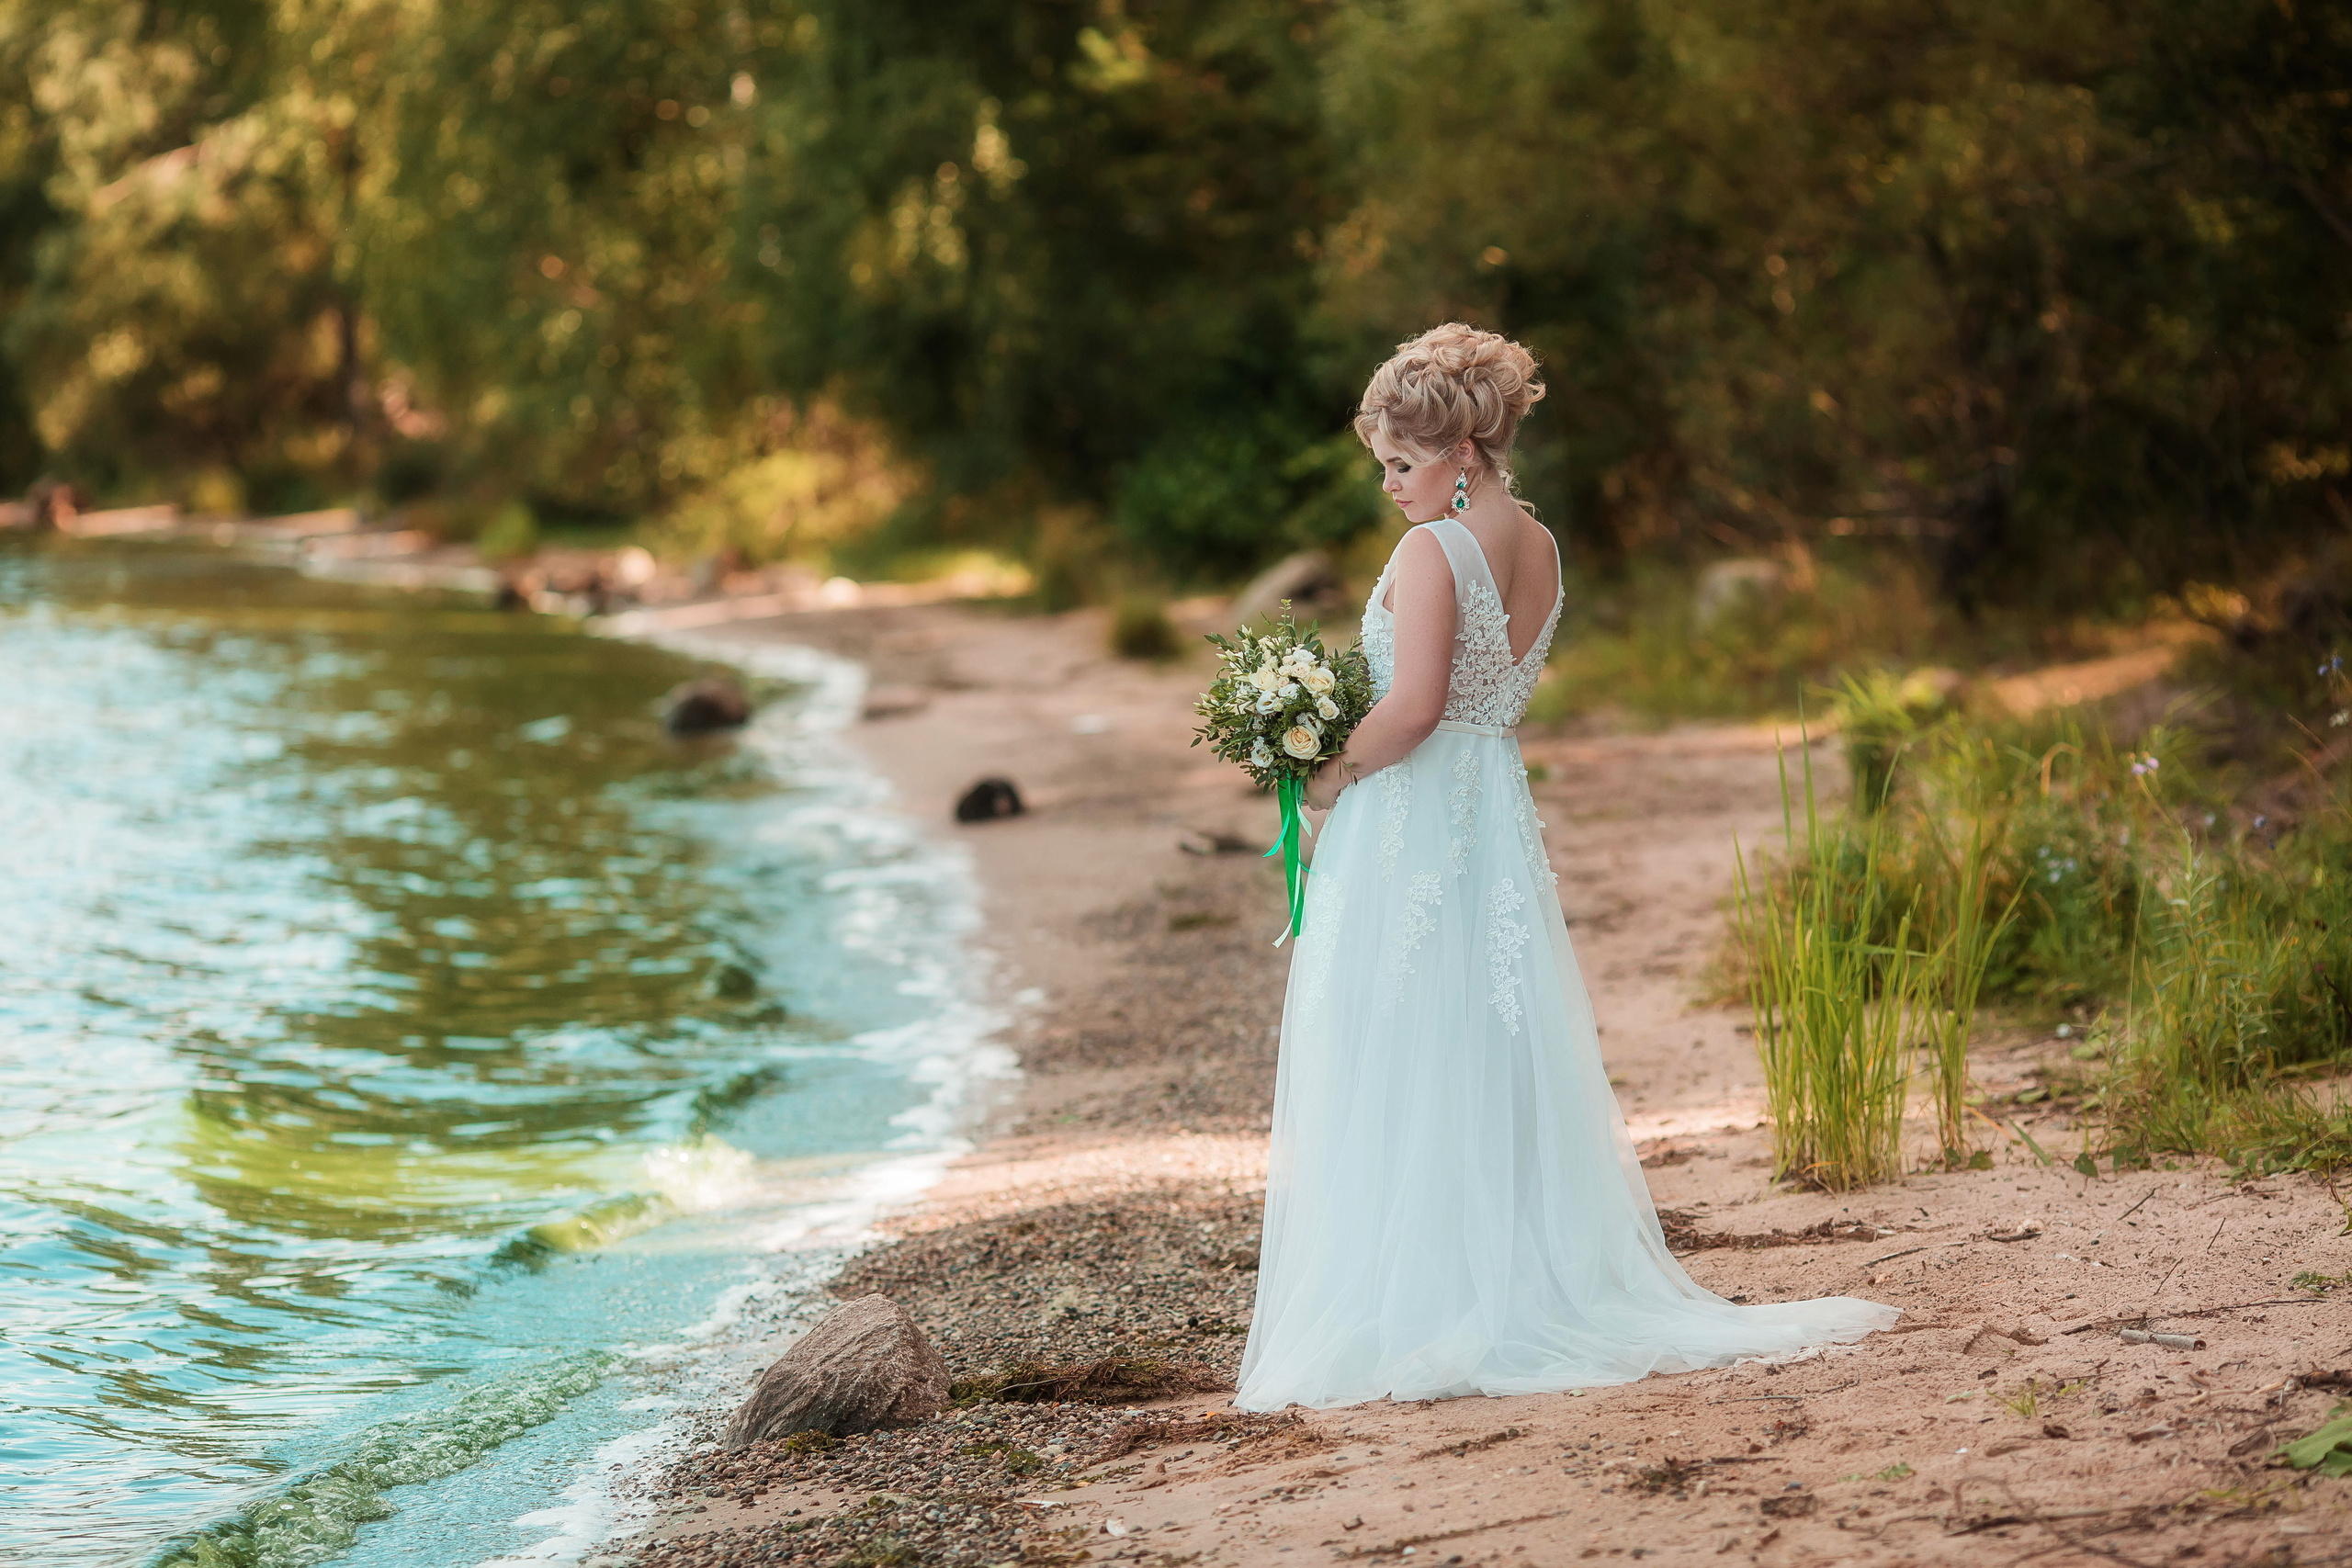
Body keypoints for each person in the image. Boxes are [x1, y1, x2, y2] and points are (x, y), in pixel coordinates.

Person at [1235, 323, 1895, 1412]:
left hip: (1413, 816)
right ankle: (1501, 1265)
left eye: (1400, 465)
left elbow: (1414, 708)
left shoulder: (1429, 551)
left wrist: (1322, 773)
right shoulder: (1537, 544)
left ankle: (1427, 1294)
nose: (1390, 487)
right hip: (1487, 811)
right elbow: (1483, 698)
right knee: (1481, 1036)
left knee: (1403, 1034)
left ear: (1457, 452)